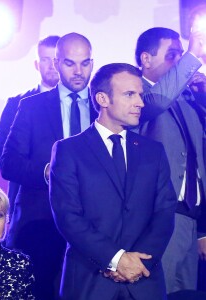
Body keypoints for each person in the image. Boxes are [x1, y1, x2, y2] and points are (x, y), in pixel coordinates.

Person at [49, 63, 177, 300]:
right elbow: (68, 217)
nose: (140, 102)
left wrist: (136, 262)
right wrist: (116, 259)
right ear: (102, 99)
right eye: (130, 94)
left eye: (139, 94)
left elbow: (165, 212)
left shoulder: (153, 151)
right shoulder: (69, 151)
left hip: (144, 279)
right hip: (91, 281)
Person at [0, 32, 98, 300]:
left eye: (85, 63)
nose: (79, 71)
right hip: (42, 220)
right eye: (70, 63)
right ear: (56, 63)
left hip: (96, 223)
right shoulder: (32, 107)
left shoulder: (104, 105)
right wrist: (47, 172)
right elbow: (8, 162)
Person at [135, 27, 206, 293]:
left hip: (189, 218)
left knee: (186, 294)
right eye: (173, 55)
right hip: (160, 217)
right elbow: (155, 103)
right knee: (156, 292)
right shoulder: (137, 93)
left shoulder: (186, 99)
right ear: (146, 59)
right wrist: (193, 56)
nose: (179, 62)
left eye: (181, 56)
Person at [0, 35, 60, 222]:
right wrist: (43, 170)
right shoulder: (17, 103)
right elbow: (0, 154)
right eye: (45, 59)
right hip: (29, 205)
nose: (51, 65)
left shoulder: (85, 104)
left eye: (55, 59)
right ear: (36, 64)